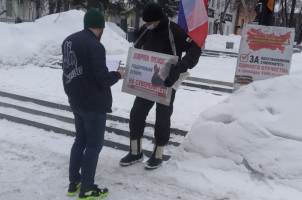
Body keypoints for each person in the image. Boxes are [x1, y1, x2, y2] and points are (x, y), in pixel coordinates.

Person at [119, 3, 201, 169]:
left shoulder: (175, 30)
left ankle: (157, 155)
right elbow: (137, 43)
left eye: (150, 22)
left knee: (162, 119)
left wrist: (184, 64)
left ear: (158, 19)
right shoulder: (147, 29)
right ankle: (135, 152)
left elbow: (195, 49)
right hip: (147, 82)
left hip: (167, 82)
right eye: (146, 23)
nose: (147, 25)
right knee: (136, 114)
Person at [62, 8, 124, 199]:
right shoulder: (95, 46)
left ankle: (74, 182)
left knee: (80, 141)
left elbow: (69, 70)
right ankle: (87, 188)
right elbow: (103, 79)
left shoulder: (69, 40)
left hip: (76, 100)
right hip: (93, 104)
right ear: (101, 27)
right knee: (94, 146)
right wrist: (118, 74)